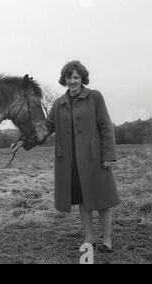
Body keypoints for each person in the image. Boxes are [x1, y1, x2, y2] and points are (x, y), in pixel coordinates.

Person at [45, 60, 120, 253]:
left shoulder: (94, 97)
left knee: (103, 199)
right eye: (69, 77)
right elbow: (46, 128)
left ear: (82, 79)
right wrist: (22, 141)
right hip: (71, 163)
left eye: (76, 77)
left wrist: (108, 155)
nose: (72, 81)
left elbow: (105, 126)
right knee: (82, 201)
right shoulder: (58, 103)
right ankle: (89, 238)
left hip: (95, 159)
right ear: (64, 79)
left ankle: (107, 240)